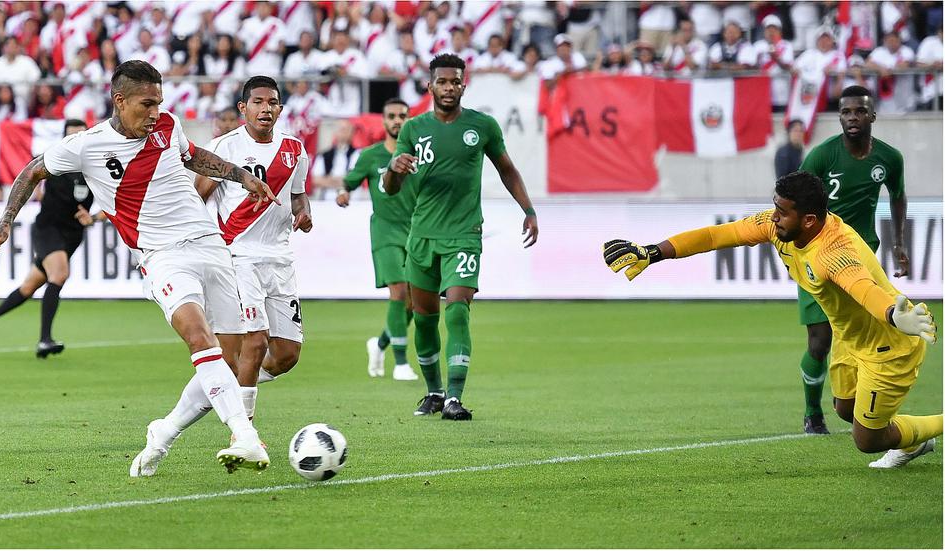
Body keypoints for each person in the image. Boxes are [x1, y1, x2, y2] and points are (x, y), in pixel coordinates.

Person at [0, 60, 278, 476]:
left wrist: (240, 176)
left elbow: (194, 156)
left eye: (159, 103)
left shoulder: (167, 125)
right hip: (162, 257)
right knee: (199, 338)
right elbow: (32, 171)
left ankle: (164, 432)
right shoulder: (87, 145)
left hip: (211, 247)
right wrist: (5, 221)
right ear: (119, 101)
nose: (155, 112)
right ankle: (244, 435)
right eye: (146, 104)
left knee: (226, 360)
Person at [603, 171, 940, 468]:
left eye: (782, 213)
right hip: (850, 338)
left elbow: (863, 287)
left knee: (867, 440)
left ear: (808, 220)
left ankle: (932, 428)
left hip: (888, 344)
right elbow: (715, 236)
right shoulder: (779, 226)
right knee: (844, 408)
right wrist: (653, 252)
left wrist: (895, 315)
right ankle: (913, 440)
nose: (772, 219)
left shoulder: (832, 252)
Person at [383, 54, 539, 420]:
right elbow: (391, 188)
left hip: (464, 235)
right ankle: (434, 392)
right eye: (443, 82)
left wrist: (528, 210)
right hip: (421, 235)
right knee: (423, 317)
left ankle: (454, 397)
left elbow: (508, 170)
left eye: (455, 82)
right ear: (431, 86)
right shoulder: (413, 129)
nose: (449, 88)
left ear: (463, 85)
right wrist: (393, 168)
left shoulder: (482, 125)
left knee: (457, 311)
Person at [195, 75, 313, 428]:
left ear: (280, 108)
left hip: (279, 259)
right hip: (238, 256)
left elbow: (297, 196)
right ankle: (242, 429)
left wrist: (304, 213)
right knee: (256, 340)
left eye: (272, 102)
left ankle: (229, 386)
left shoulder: (294, 150)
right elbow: (197, 197)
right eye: (258, 102)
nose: (266, 108)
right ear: (243, 108)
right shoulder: (223, 148)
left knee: (287, 355)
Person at [794, 85, 910, 435]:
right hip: (815, 256)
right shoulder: (822, 156)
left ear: (872, 115)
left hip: (859, 261)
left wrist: (899, 243)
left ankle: (855, 399)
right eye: (845, 112)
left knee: (862, 332)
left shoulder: (889, 158)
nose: (852, 118)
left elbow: (899, 196)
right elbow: (791, 195)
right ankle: (812, 412)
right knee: (819, 339)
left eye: (859, 111)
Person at [0, 119, 99, 356]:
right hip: (48, 229)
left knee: (29, 287)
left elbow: (116, 202)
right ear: (63, 139)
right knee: (60, 274)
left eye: (80, 137)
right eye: (71, 137)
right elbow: (30, 179)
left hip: (72, 234)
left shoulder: (94, 168)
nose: (75, 142)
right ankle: (45, 340)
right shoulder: (53, 161)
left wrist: (94, 218)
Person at [338, 98, 418, 382]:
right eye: (392, 116)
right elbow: (349, 181)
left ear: (409, 120)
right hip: (385, 231)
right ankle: (401, 364)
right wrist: (344, 193)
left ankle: (380, 344)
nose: (397, 120)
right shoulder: (371, 156)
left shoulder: (419, 155)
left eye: (402, 116)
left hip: (416, 232)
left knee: (414, 302)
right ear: (384, 121)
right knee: (398, 292)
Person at [312, 119, 359, 200]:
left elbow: (353, 179)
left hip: (351, 201)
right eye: (341, 129)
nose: (343, 133)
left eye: (346, 130)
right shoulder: (324, 155)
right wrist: (341, 181)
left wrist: (327, 180)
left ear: (352, 133)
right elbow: (315, 180)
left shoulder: (357, 154)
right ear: (335, 132)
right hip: (327, 201)